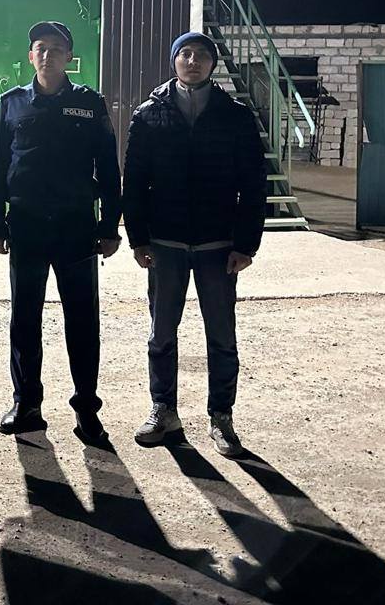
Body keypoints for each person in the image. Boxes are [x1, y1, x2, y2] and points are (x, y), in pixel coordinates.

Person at [123, 31, 267, 458]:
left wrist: (246, 244)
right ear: (174, 60)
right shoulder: (150, 114)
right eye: (184, 53)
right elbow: (135, 180)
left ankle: (221, 417)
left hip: (217, 244)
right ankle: (163, 410)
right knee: (161, 334)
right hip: (165, 242)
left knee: (221, 336)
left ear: (212, 63)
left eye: (201, 55)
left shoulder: (234, 116)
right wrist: (138, 237)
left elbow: (253, 183)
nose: (192, 60)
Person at [0, 21, 121, 445]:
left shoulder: (89, 103)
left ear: (69, 58)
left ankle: (86, 408)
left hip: (75, 227)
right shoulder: (11, 103)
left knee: (82, 321)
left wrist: (110, 226)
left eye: (56, 49)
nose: (47, 55)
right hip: (26, 226)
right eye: (40, 48)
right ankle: (27, 404)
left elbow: (109, 168)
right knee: (24, 319)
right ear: (31, 56)